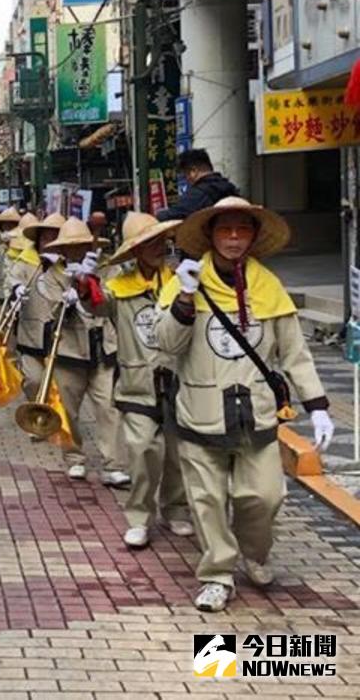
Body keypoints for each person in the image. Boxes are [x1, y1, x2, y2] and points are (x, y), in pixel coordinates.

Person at [155, 197, 333, 612]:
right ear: (210, 235)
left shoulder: (268, 286)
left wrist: (318, 405)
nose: (233, 238)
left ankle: (254, 552)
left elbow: (294, 353)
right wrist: (185, 298)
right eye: (225, 229)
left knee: (264, 496)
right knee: (207, 501)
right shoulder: (185, 282)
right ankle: (217, 574)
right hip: (201, 411)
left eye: (242, 230)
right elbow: (165, 344)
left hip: (256, 413)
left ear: (253, 236)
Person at [76, 212, 192, 549]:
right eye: (148, 243)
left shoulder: (181, 282)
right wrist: (83, 284)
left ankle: (176, 509)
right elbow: (97, 306)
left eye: (160, 241)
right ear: (135, 250)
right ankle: (139, 517)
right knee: (142, 453)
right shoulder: (119, 287)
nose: (158, 248)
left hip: (180, 384)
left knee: (176, 454)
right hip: (137, 386)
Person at [18, 216, 129, 484]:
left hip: (103, 348)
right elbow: (53, 312)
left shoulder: (106, 268)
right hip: (68, 351)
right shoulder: (51, 276)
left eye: (81, 244)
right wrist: (69, 297)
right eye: (71, 246)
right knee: (69, 410)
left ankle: (114, 465)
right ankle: (74, 457)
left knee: (108, 408)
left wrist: (92, 281)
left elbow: (113, 300)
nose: (77, 250)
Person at [155, 149, 240, 222]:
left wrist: (157, 215)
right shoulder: (230, 188)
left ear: (193, 171)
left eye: (185, 175)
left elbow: (174, 214)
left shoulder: (198, 193)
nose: (187, 180)